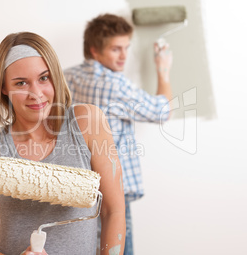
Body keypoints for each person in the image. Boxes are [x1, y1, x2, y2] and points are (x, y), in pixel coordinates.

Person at [0, 31, 126, 255]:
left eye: (44, 78)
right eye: (21, 83)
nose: (36, 93)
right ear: (4, 87)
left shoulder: (87, 123)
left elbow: (113, 210)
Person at [64, 14, 173, 255]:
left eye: (126, 48)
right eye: (116, 49)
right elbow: (162, 110)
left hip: (76, 187)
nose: (124, 56)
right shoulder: (114, 84)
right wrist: (163, 71)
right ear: (94, 49)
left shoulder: (67, 77)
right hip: (111, 190)